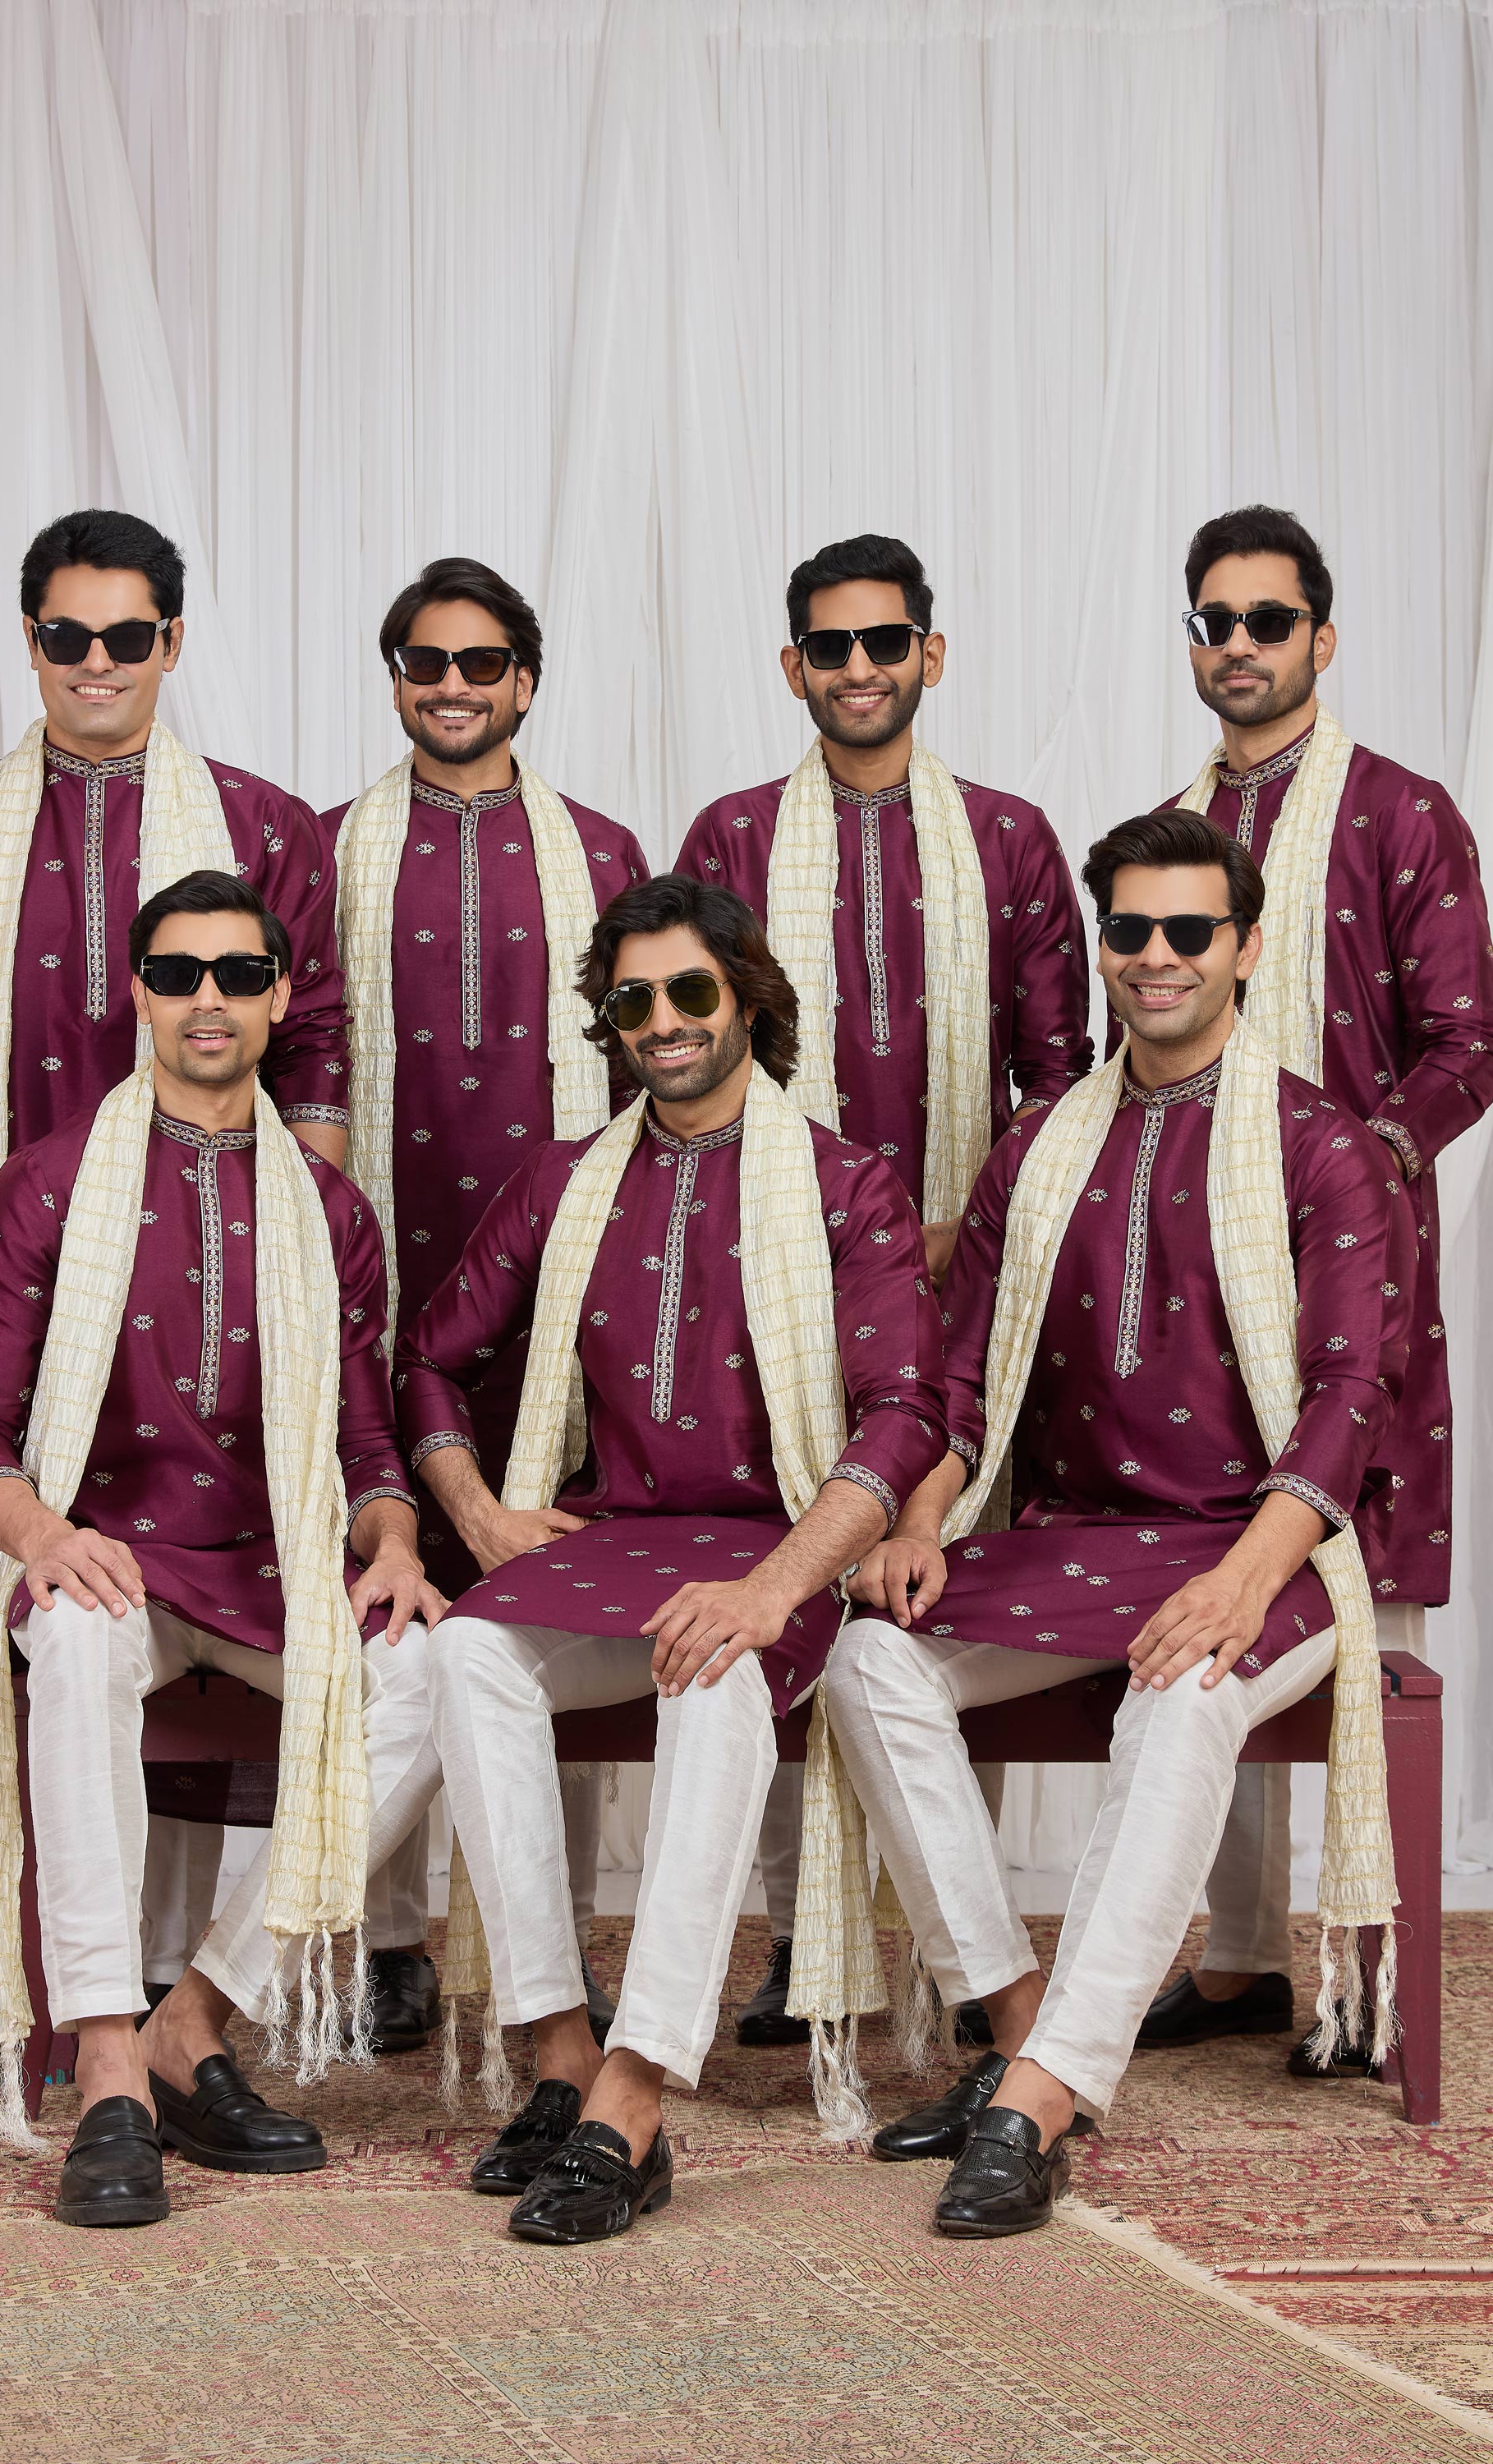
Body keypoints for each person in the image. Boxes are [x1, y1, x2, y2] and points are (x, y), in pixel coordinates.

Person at [823, 811, 1410, 2238]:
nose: (1158, 956)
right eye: (1132, 930)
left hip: (1268, 1543)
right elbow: (965, 1380)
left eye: (1189, 931)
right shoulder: (1042, 1146)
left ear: (1245, 948)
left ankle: (1037, 2101)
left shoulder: (1325, 1149)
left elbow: (1352, 1391)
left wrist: (1245, 1581)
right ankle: (1022, 2018)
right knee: (865, 1656)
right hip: (1073, 1534)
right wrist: (920, 1518)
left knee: (1187, 1687)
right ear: (1104, 947)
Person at [393, 874, 949, 2245]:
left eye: (691, 990)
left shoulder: (845, 1183)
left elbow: (904, 1413)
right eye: (634, 999)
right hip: (613, 1539)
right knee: (468, 1649)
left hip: (777, 1548)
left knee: (712, 1672)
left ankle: (634, 2098)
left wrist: (776, 1588)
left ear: (747, 998)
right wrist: (478, 1514)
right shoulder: (565, 1182)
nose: (664, 1020)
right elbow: (431, 1361)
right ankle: (560, 2053)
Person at [0, 508, 349, 2001]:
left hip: (219, 1276)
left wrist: (308, 1270)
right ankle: (80, 1984)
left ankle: (174, 1980)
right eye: (66, 635)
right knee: (64, 1606)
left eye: (127, 635)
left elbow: (316, 1056)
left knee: (211, 1571)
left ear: (171, 643)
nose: (96, 662)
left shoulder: (267, 829)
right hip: (10, 1278)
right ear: (31, 641)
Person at [0, 873, 456, 2230]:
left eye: (238, 973)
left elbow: (365, 1440)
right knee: (69, 1631)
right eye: (177, 974)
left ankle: (200, 2014)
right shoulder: (50, 1184)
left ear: (281, 1000)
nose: (207, 999)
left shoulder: (328, 1211)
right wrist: (43, 1533)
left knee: (439, 1672)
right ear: (139, 995)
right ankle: (112, 2064)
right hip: (115, 1556)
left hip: (275, 1572)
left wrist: (396, 1542)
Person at [676, 532, 1092, 2045]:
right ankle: (806, 1949)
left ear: (931, 652)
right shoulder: (731, 837)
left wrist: (963, 1227)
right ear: (794, 666)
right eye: (831, 647)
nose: (860, 669)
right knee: (796, 1556)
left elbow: (1059, 1079)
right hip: (776, 1277)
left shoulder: (1012, 840)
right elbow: (702, 1059)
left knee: (938, 1575)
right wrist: (834, 1228)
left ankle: (945, 1937)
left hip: (977, 1276)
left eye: (885, 641)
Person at [1133, 506, 1493, 2075]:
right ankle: (1237, 1960)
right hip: (1194, 1275)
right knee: (1209, 1578)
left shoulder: (1404, 814)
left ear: (1321, 639)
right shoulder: (1167, 830)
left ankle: (1367, 1974)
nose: (1238, 645)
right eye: (1212, 620)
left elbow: (1470, 1041)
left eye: (1266, 620)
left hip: (1350, 1256)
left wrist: (1350, 1164)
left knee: (1359, 1594)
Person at [325, 556, 651, 2054]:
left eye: (479, 662)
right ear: (397, 678)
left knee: (548, 1593)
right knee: (390, 1591)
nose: (451, 685)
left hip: (559, 1296)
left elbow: (652, 1073)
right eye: (424, 661)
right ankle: (389, 1935)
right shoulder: (329, 850)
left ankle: (552, 1938)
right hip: (381, 1274)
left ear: (525, 679)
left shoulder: (605, 849)